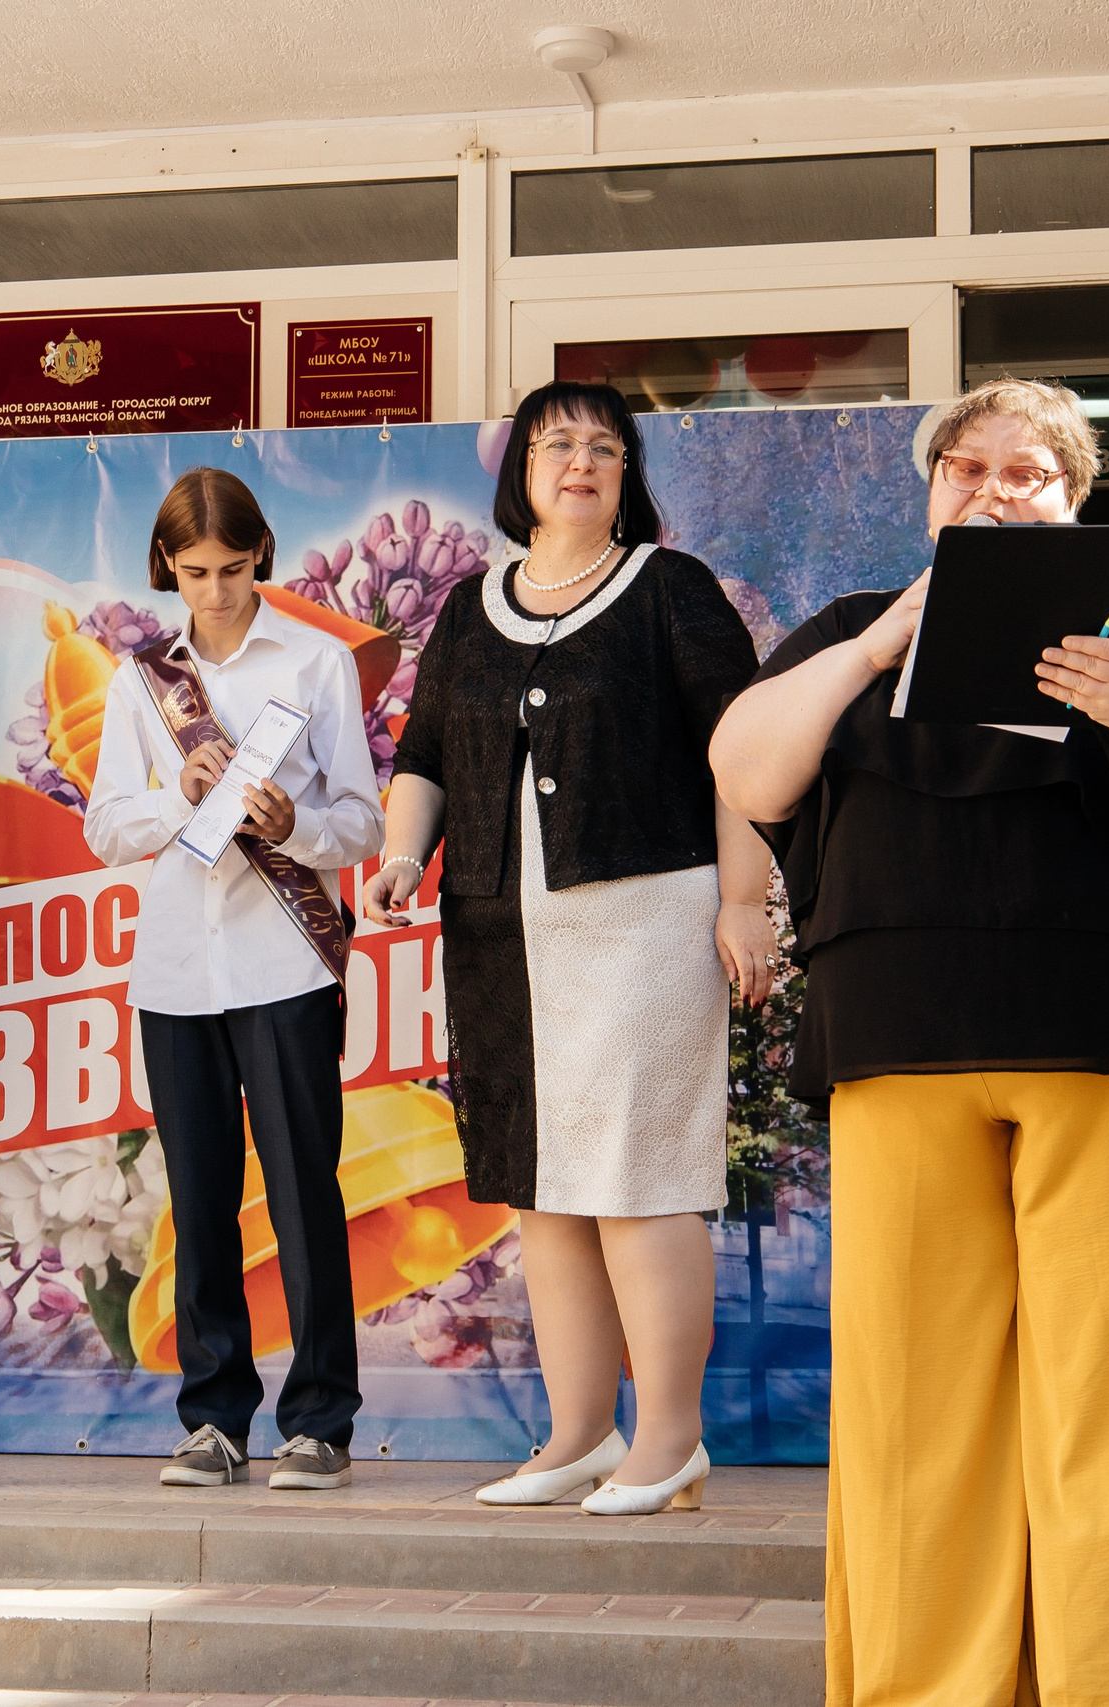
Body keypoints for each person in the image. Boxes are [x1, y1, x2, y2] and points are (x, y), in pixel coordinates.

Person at [708, 378, 1109, 1705]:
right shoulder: (858, 628)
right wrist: (867, 655)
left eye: (1025, 470)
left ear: (1075, 493)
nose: (992, 488)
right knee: (918, 1413)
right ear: (928, 497)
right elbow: (749, 772)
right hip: (903, 1047)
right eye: (964, 469)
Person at [361, 381, 772, 1516]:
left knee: (641, 1184)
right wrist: (405, 856)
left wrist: (744, 902)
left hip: (643, 918)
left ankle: (670, 1441)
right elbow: (426, 750)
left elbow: (742, 752)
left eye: (604, 448)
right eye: (557, 445)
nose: (581, 463)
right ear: (522, 475)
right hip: (498, 931)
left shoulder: (668, 592)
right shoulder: (468, 605)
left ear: (627, 477)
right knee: (541, 1191)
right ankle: (579, 1434)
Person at [84, 467, 384, 1491]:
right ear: (166, 563)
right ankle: (212, 1419)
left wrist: (291, 824)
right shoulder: (139, 683)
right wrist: (182, 795)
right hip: (174, 973)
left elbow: (365, 821)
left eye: (231, 567)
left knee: (303, 1191)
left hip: (284, 962)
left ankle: (319, 1422)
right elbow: (105, 827)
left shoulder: (315, 664)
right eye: (193, 570)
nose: (213, 592)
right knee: (198, 1201)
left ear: (262, 553)